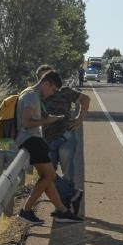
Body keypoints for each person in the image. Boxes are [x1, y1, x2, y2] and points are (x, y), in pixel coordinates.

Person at [14, 71, 83, 224]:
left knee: (47, 178)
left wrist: (48, 119)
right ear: (46, 83)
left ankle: (62, 211)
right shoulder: (31, 96)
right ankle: (26, 210)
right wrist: (48, 121)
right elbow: (26, 123)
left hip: (32, 140)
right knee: (50, 176)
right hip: (31, 140)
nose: (51, 94)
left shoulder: (29, 93)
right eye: (52, 90)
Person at [35, 65, 89, 214]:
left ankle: (66, 208)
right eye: (42, 77)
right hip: (48, 140)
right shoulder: (36, 97)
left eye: (48, 77)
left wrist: (79, 119)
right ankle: (72, 198)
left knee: (67, 174)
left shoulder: (64, 91)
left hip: (66, 137)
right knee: (47, 175)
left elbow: (86, 99)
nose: (45, 80)